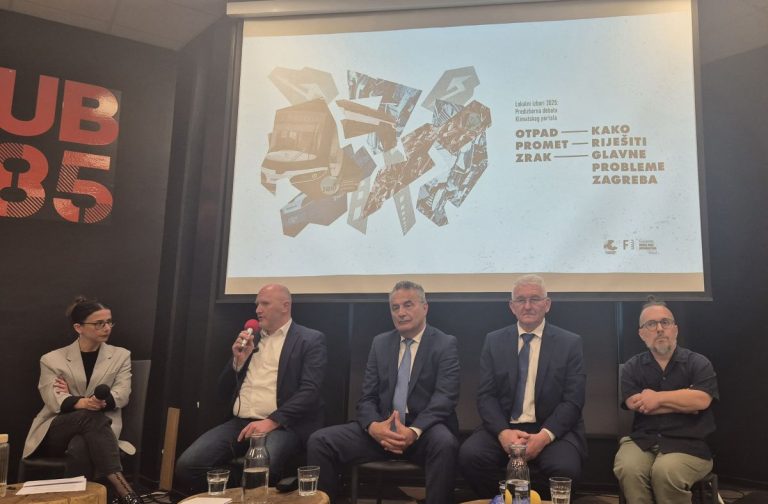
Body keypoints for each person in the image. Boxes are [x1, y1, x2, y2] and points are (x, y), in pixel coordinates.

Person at [307, 280, 460, 504]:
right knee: (320, 441)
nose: (401, 313)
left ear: (425, 307)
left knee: (445, 444)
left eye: (408, 305)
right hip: (382, 430)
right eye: (395, 307)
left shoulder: (444, 343)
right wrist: (374, 427)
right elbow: (367, 397)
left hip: (423, 432)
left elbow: (445, 398)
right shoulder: (380, 343)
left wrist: (413, 431)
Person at [175, 284, 327, 492]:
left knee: (261, 467)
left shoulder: (309, 339)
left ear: (285, 306)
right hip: (240, 423)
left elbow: (310, 391)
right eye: (257, 304)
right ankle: (242, 491)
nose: (258, 310)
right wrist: (237, 362)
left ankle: (253, 491)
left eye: (265, 304)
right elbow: (222, 391)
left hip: (282, 425)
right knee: (187, 466)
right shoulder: (250, 340)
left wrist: (272, 421)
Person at [458, 274, 586, 498]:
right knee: (470, 456)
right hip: (506, 427)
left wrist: (544, 437)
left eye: (534, 299)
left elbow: (573, 401)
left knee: (565, 469)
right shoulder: (494, 341)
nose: (527, 306)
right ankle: (503, 501)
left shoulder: (569, 343)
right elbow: (486, 396)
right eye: (520, 300)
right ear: (512, 307)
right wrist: (503, 433)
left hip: (550, 429)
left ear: (547, 304)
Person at [22, 296, 140, 504]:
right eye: (99, 323)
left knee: (80, 445)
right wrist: (86, 402)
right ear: (79, 327)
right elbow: (53, 399)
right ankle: (125, 492)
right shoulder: (52, 359)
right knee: (87, 416)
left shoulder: (121, 356)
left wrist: (77, 399)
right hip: (57, 430)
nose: (107, 328)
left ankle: (79, 500)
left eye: (109, 322)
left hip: (98, 432)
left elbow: (122, 394)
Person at [613, 297, 718, 504]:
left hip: (689, 445)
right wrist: (684, 402)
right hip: (643, 440)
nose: (660, 329)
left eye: (665, 322)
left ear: (675, 329)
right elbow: (636, 403)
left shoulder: (698, 363)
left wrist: (656, 398)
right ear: (642, 334)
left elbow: (701, 401)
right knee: (628, 467)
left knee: (665, 471)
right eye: (651, 324)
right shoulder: (632, 367)